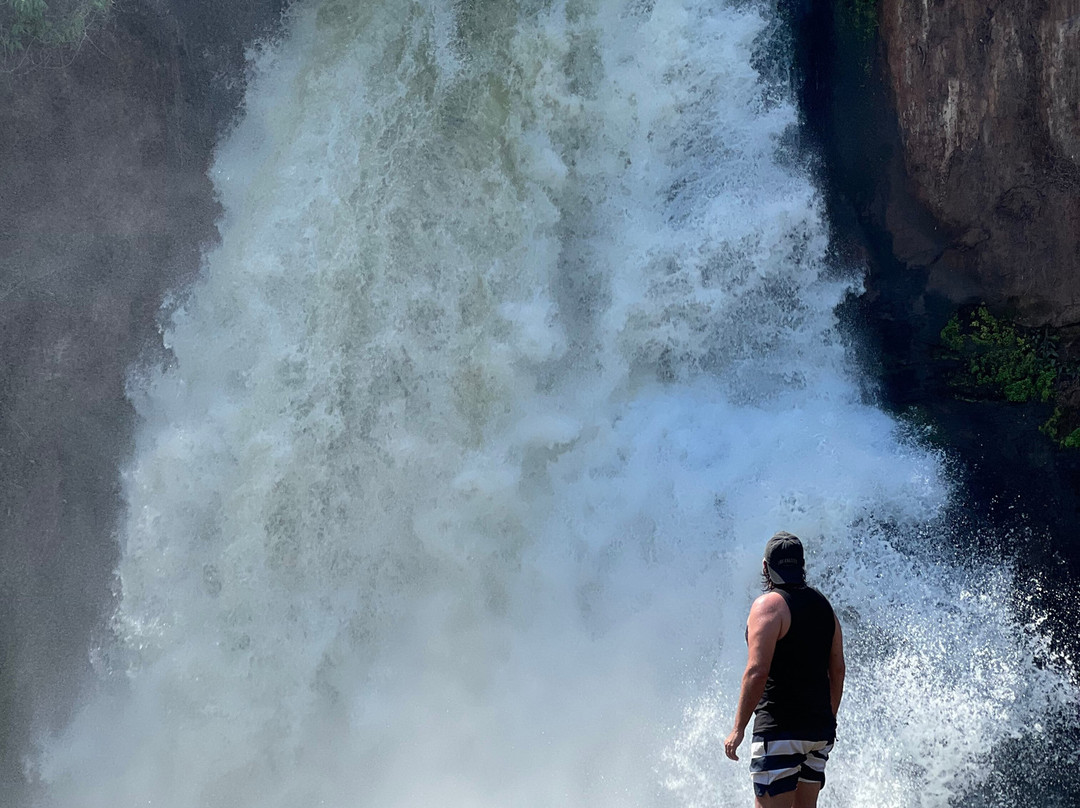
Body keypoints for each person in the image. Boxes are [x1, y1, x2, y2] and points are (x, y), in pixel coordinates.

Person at [724, 532, 845, 808]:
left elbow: (757, 671)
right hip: (818, 733)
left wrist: (738, 729)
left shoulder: (768, 606)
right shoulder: (825, 607)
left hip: (779, 731)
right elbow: (837, 670)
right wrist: (828, 719)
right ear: (802, 565)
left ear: (765, 567)